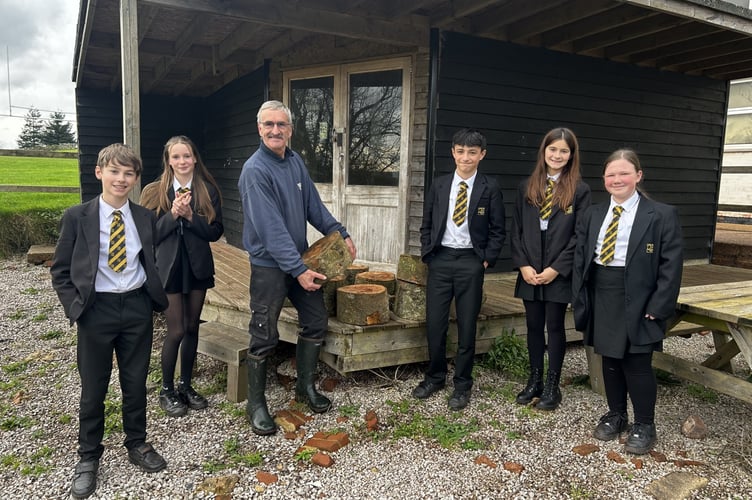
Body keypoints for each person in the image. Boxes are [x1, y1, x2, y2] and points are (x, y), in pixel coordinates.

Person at [50, 143, 170, 499]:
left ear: (135, 179)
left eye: (128, 173)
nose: (121, 179)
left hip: (135, 309)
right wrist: (76, 307)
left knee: (135, 383)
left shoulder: (144, 218)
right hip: (95, 310)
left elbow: (150, 260)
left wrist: (152, 295)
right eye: (114, 171)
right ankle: (88, 456)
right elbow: (60, 270)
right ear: (99, 172)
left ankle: (137, 443)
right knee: (93, 387)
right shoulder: (78, 217)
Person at [238, 100, 356, 436]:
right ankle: (256, 404)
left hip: (299, 261)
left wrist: (340, 232)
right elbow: (270, 229)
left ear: (290, 129)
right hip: (269, 266)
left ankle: (304, 388)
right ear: (259, 129)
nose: (276, 131)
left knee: (316, 320)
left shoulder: (294, 162)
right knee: (264, 332)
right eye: (269, 125)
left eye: (282, 125)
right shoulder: (255, 171)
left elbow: (313, 207)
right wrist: (297, 269)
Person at [572, 149, 683, 455]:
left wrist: (659, 305)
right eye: (611, 174)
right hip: (602, 292)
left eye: (623, 173)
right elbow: (581, 258)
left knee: (637, 363)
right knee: (609, 360)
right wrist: (580, 295)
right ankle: (616, 414)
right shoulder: (592, 214)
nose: (617, 179)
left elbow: (670, 266)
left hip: (640, 297)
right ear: (603, 179)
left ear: (638, 176)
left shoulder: (660, 214)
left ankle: (645, 424)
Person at [414, 128, 506, 410]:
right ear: (453, 152)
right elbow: (427, 221)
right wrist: (428, 251)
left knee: (467, 325)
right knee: (436, 323)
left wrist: (486, 259)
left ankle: (463, 384)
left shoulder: (489, 188)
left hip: (470, 261)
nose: (466, 157)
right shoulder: (440, 185)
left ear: (482, 155)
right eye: (461, 151)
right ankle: (435, 376)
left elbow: (498, 229)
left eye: (472, 152)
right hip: (440, 259)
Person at [140, 136, 224, 417]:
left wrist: (191, 218)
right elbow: (149, 235)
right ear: (168, 161)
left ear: (195, 158)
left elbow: (215, 232)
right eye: (176, 157)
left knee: (192, 328)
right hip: (169, 269)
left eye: (186, 156)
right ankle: (166, 390)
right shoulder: (155, 192)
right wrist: (173, 215)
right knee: (175, 329)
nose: (182, 161)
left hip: (197, 267)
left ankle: (186, 386)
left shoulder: (208, 190)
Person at [510, 128, 591, 411]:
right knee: (533, 326)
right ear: (544, 151)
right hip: (530, 266)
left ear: (571, 156)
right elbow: (517, 229)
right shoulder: (527, 186)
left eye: (563, 151)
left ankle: (553, 385)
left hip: (558, 268)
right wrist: (523, 265)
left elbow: (580, 236)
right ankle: (534, 380)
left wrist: (557, 268)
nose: (557, 155)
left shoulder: (579, 191)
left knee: (554, 326)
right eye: (552, 149)